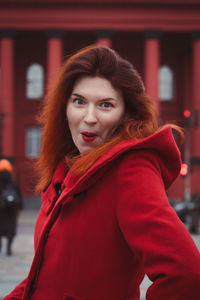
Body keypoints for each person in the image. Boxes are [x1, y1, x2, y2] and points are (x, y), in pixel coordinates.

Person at [4, 45, 200, 300]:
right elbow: (46, 277)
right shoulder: (64, 170)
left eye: (105, 105)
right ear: (64, 107)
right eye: (79, 101)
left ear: (125, 115)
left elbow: (187, 274)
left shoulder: (130, 171)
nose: (89, 117)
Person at [0, 159, 23, 255]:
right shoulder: (13, 180)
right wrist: (20, 207)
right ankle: (8, 249)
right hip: (12, 209)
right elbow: (19, 194)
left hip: (1, 209)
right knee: (11, 228)